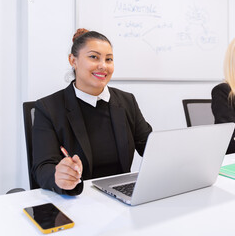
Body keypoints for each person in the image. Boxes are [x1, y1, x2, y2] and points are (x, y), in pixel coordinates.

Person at [32, 28, 152, 195]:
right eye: (94, 57)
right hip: (77, 199)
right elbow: (42, 167)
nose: (103, 66)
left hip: (121, 196)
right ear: (73, 61)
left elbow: (151, 148)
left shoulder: (127, 102)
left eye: (109, 59)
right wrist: (58, 176)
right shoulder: (48, 108)